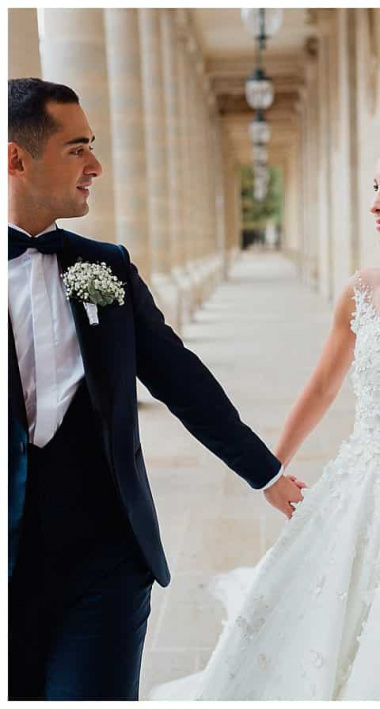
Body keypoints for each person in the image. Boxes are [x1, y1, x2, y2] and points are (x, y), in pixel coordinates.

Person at [152, 90, 380, 700]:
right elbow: (324, 384)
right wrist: (271, 468)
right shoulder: (363, 290)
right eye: (373, 187)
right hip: (362, 486)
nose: (375, 203)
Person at [7, 78, 303, 700]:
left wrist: (266, 474)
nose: (96, 166)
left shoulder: (106, 265)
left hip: (106, 562)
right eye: (77, 149)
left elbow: (179, 376)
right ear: (16, 159)